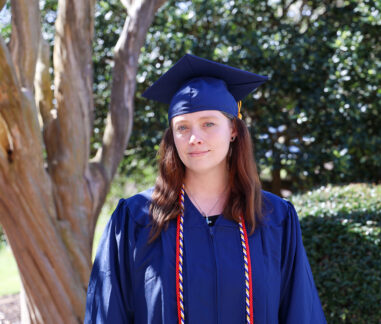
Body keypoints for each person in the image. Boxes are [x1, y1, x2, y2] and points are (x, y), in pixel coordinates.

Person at [84, 54, 326, 324]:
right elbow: (107, 314)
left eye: (208, 123)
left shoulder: (275, 218)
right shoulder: (135, 219)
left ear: (233, 129)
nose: (194, 138)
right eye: (182, 127)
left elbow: (301, 313)